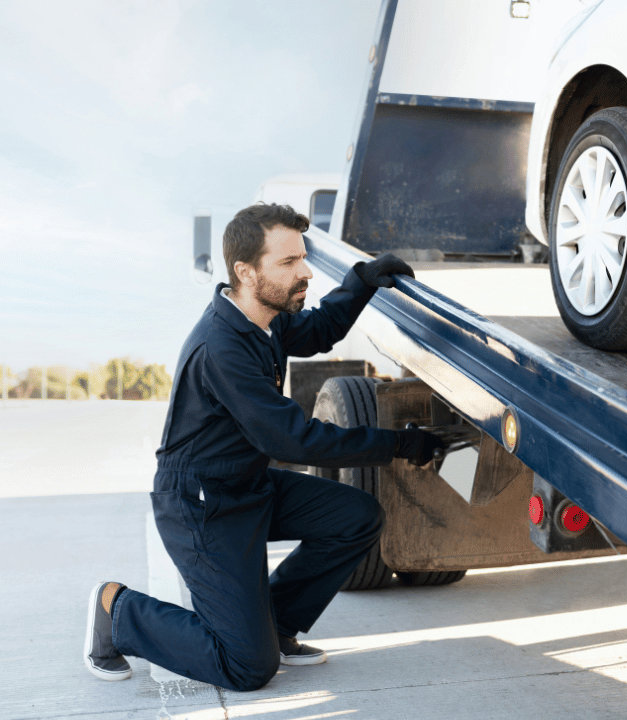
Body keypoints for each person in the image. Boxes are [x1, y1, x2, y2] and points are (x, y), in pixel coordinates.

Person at [83, 203, 443, 691]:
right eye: (289, 262)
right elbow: (291, 439)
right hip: (203, 506)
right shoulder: (222, 347)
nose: (306, 271)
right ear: (245, 271)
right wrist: (398, 443)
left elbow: (319, 330)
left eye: (302, 258)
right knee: (247, 667)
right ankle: (118, 611)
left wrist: (362, 280)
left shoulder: (265, 317)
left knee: (356, 517)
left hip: (248, 485)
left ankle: (274, 625)